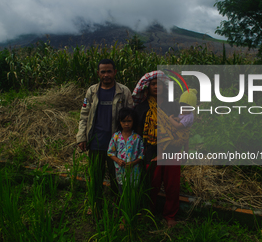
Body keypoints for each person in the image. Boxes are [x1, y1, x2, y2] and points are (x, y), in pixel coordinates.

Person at [76, 59, 134, 208]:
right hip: (96, 142)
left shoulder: (123, 92)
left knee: (117, 178)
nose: (106, 75)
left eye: (109, 71)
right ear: (98, 73)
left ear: (115, 72)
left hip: (116, 145)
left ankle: (118, 205)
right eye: (103, 72)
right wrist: (81, 137)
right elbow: (84, 116)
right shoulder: (92, 91)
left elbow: (131, 117)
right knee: (96, 176)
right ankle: (95, 204)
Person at [133, 71, 184, 228]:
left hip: (172, 149)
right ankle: (149, 212)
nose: (156, 87)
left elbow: (183, 128)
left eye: (159, 84)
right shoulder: (142, 107)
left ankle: (170, 215)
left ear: (164, 86)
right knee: (150, 183)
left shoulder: (173, 105)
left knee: (172, 185)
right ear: (147, 88)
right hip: (150, 150)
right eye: (153, 84)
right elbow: (138, 131)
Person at [107, 107, 144, 193]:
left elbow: (141, 155)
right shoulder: (116, 137)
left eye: (129, 121)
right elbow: (110, 152)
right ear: (119, 122)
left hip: (134, 172)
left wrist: (133, 163)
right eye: (123, 121)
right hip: (121, 171)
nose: (126, 124)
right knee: (122, 192)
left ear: (133, 121)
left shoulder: (137, 138)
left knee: (133, 194)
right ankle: (123, 206)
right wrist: (118, 160)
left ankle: (132, 207)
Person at [168, 89, 197, 153]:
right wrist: (177, 119)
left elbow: (178, 126)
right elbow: (181, 119)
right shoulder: (184, 113)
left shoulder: (189, 117)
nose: (185, 110)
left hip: (182, 137)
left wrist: (171, 119)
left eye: (188, 108)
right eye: (183, 107)